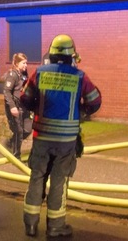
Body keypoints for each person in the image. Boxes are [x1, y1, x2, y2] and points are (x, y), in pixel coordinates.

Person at [20, 34, 102, 238]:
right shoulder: (80, 76)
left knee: (36, 177)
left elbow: (25, 98)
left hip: (41, 136)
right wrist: (81, 111)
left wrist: (38, 107)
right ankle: (56, 227)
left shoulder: (39, 72)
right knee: (59, 181)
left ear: (51, 53)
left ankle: (30, 225)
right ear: (70, 55)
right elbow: (95, 101)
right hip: (66, 140)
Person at [2, 52, 32, 160]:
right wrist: (12, 107)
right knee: (18, 131)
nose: (26, 65)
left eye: (26, 63)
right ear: (16, 63)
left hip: (23, 107)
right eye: (23, 63)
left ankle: (10, 142)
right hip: (15, 107)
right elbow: (6, 91)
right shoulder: (12, 75)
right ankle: (16, 156)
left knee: (28, 129)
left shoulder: (23, 75)